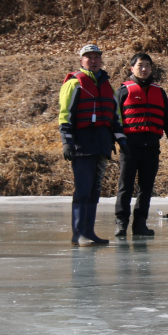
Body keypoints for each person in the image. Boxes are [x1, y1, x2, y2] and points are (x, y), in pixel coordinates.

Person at [58, 44, 127, 246]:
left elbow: (116, 117)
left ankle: (89, 231)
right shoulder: (74, 84)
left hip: (102, 145)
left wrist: (121, 140)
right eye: (89, 57)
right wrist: (67, 142)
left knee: (95, 190)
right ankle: (78, 233)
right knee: (83, 190)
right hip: (82, 145)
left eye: (97, 57)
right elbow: (65, 115)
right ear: (82, 61)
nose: (94, 60)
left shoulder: (107, 86)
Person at [113, 53, 168, 237]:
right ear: (131, 68)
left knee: (146, 187)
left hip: (151, 147)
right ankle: (121, 223)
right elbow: (114, 119)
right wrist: (113, 140)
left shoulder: (159, 92)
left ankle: (139, 224)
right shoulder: (123, 91)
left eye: (147, 66)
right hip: (129, 147)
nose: (144, 69)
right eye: (140, 65)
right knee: (125, 187)